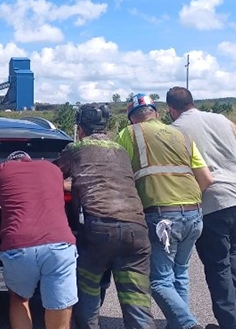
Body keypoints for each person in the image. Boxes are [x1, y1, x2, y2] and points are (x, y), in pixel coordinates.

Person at [52, 103, 155, 329]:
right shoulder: (120, 150)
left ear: (80, 129)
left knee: (88, 290)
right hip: (136, 229)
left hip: (99, 228)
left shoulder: (76, 149)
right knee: (136, 298)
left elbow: (50, 176)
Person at [116, 94, 213, 329]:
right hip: (193, 213)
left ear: (131, 118)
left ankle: (189, 324)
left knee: (159, 281)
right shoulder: (182, 135)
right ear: (157, 113)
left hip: (161, 217)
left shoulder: (129, 134)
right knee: (180, 274)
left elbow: (120, 175)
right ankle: (178, 325)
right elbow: (207, 178)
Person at [166, 86, 236, 329]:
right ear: (192, 102)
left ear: (171, 109)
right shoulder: (223, 119)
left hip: (212, 202)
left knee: (217, 265)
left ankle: (230, 324)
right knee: (234, 253)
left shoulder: (175, 130)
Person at [0, 150, 77, 329]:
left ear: (9, 161)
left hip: (19, 245)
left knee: (20, 298)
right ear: (29, 160)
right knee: (59, 304)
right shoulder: (52, 169)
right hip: (59, 244)